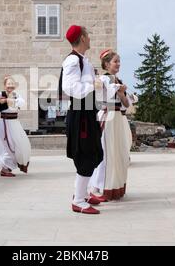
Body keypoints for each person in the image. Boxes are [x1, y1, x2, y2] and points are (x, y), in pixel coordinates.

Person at [60, 25, 103, 215]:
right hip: (80, 114)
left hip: (87, 112)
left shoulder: (82, 60)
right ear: (83, 38)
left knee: (95, 153)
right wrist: (92, 85)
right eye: (88, 35)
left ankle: (82, 193)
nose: (90, 38)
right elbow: (70, 88)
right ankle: (78, 200)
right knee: (87, 154)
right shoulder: (72, 60)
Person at [89, 49, 133, 201]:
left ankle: (115, 186)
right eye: (115, 61)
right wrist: (116, 89)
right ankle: (98, 187)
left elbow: (126, 104)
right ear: (106, 64)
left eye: (119, 61)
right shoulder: (103, 79)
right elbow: (99, 96)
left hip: (118, 120)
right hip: (107, 117)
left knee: (119, 154)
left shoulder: (118, 81)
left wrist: (121, 93)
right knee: (106, 154)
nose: (118, 64)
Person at [0, 76, 31, 177]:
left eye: (12, 84)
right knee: (10, 146)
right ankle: (5, 168)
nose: (10, 86)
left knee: (22, 145)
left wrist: (7, 100)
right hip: (5, 123)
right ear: (4, 86)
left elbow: (22, 102)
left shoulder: (16, 95)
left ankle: (7, 167)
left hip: (15, 123)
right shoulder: (0, 95)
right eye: (8, 84)